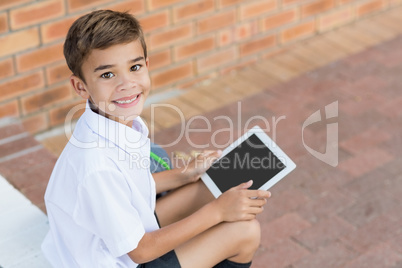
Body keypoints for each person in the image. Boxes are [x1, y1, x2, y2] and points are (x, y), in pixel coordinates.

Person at [42, 9, 271, 268]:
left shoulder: (110, 122)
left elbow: (127, 185)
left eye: (134, 67)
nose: (126, 83)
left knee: (210, 185)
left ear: (147, 65)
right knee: (245, 231)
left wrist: (183, 174)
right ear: (80, 86)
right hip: (120, 259)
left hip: (118, 235)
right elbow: (139, 252)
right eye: (107, 74)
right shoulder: (95, 164)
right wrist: (217, 212)